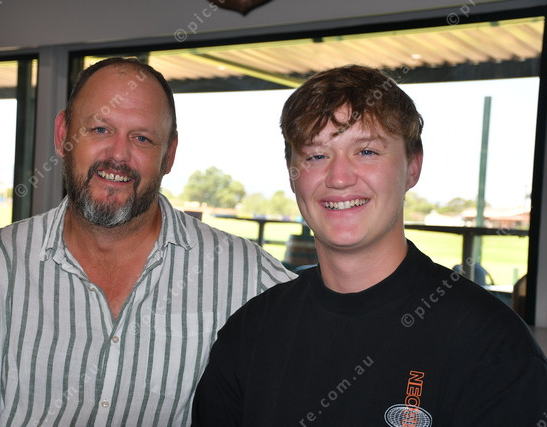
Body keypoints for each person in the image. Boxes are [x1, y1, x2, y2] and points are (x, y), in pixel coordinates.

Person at [0, 57, 294, 426]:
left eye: (142, 138)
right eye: (100, 130)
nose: (118, 155)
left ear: (168, 155)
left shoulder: (245, 275)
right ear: (63, 135)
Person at [192, 64, 547, 426]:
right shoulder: (250, 333)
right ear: (292, 173)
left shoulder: (495, 347)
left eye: (366, 152)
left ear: (413, 167)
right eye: (316, 156)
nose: (339, 178)